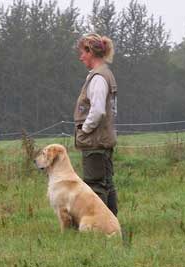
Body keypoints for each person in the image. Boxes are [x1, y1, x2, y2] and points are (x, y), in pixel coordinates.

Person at [73, 33, 118, 216]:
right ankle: (112, 223)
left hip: (95, 142)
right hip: (103, 139)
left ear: (90, 51)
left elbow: (98, 110)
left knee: (95, 185)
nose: (81, 57)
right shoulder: (105, 74)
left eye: (82, 52)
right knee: (107, 183)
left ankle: (100, 226)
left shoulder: (98, 78)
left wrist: (85, 129)